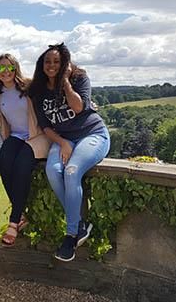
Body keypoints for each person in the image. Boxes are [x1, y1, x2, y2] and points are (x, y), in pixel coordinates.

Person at [28, 43, 110, 262]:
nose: (52, 65)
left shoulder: (79, 79)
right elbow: (45, 126)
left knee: (72, 171)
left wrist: (64, 82)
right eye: (48, 61)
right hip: (62, 138)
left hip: (92, 134)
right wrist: (63, 143)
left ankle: (71, 234)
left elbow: (78, 107)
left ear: (64, 63)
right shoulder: (38, 90)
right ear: (41, 64)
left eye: (57, 61)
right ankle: (81, 224)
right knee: (54, 171)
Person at [0, 53, 50, 247]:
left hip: (38, 136)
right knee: (5, 160)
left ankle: (14, 221)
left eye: (9, 67)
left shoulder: (29, 86)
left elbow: (52, 95)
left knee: (22, 164)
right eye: (1, 68)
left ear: (15, 68)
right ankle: (21, 214)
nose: (5, 71)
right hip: (16, 136)